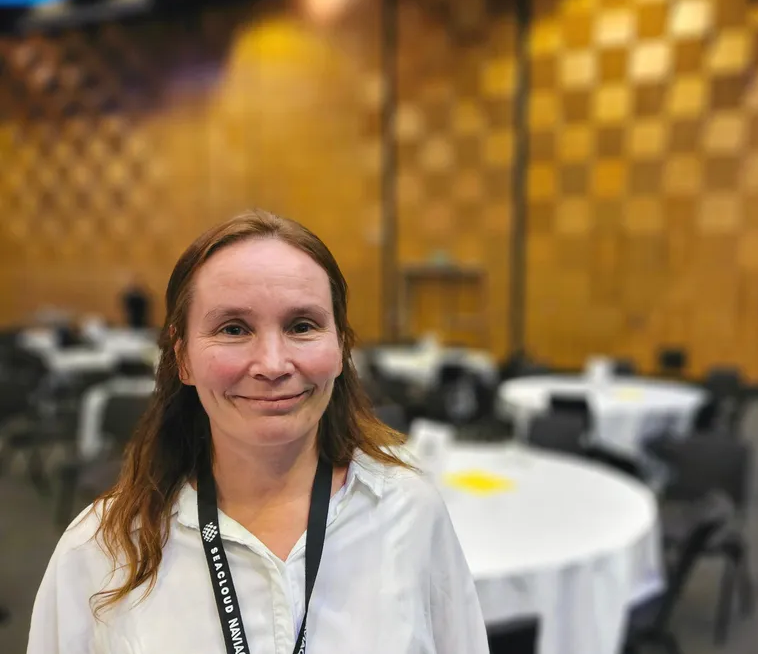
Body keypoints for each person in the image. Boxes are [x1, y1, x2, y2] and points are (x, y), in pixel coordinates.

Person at [27, 210, 489, 653]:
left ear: (341, 347)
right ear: (183, 359)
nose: (272, 364)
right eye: (233, 329)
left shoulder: (411, 515)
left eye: (302, 326)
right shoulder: (98, 553)